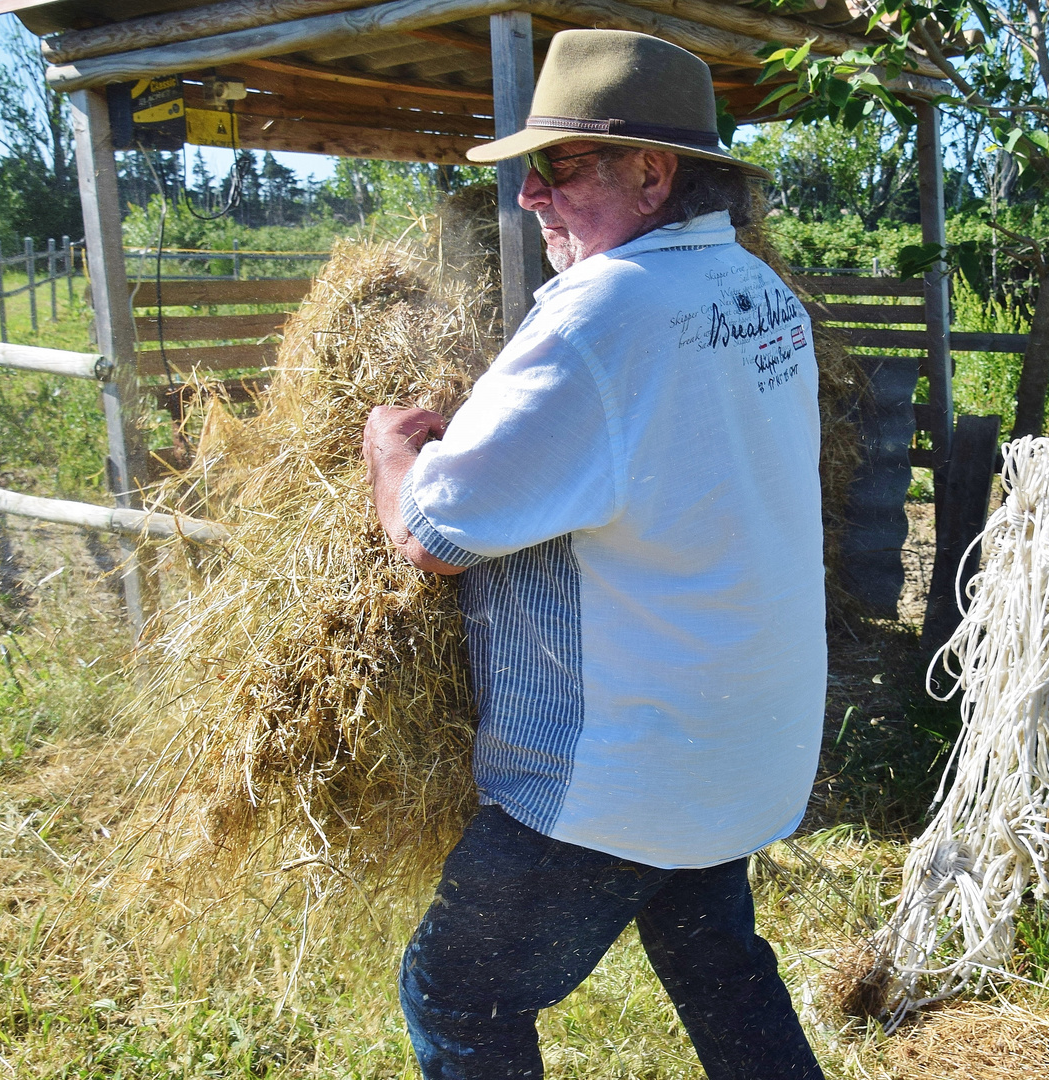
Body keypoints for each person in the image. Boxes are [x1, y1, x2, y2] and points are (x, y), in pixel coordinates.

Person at [361, 28, 826, 1080]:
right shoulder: (759, 296)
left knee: (454, 993)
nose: (530, 198)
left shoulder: (601, 316)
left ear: (651, 172)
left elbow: (431, 535)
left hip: (618, 767)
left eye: (556, 168)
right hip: (734, 739)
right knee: (718, 964)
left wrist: (388, 449)